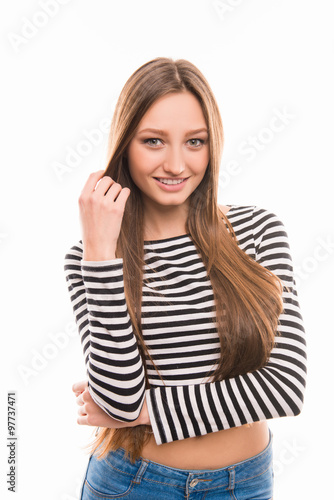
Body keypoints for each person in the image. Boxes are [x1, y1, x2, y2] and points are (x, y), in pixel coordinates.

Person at [64, 57, 306, 500]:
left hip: (245, 485)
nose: (176, 164)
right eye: (153, 141)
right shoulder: (92, 256)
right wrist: (100, 254)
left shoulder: (257, 231)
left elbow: (285, 387)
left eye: (195, 142)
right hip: (132, 484)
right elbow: (117, 400)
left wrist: (146, 410)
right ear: (125, 145)